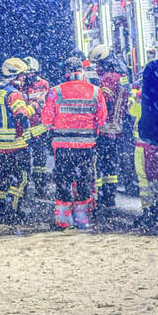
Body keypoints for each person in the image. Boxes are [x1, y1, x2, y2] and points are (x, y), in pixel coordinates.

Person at [41, 56, 107, 229]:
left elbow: (46, 120)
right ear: (82, 70)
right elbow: (102, 119)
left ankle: (62, 222)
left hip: (63, 147)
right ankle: (82, 219)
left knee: (63, 181)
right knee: (84, 181)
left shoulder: (56, 91)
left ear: (66, 72)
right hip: (86, 147)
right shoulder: (95, 91)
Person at [0, 57, 36, 225]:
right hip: (16, 145)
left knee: (1, 179)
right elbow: (22, 115)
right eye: (22, 76)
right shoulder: (14, 95)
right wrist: (35, 106)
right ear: (14, 75)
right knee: (20, 180)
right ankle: (14, 212)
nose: (24, 79)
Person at [128, 79, 158, 229]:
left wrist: (133, 92)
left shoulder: (141, 95)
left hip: (143, 144)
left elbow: (132, 110)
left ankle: (148, 212)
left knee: (144, 179)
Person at [94, 55, 132, 214]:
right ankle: (111, 200)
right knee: (111, 166)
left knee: (100, 165)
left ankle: (102, 198)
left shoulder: (108, 79)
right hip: (117, 129)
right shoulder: (122, 78)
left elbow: (106, 100)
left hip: (104, 129)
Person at [22, 56, 51, 191]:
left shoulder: (44, 84)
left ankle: (40, 185)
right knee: (25, 159)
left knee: (40, 158)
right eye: (27, 73)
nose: (29, 76)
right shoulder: (22, 85)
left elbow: (45, 103)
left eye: (31, 73)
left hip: (39, 127)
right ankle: (24, 184)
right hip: (25, 128)